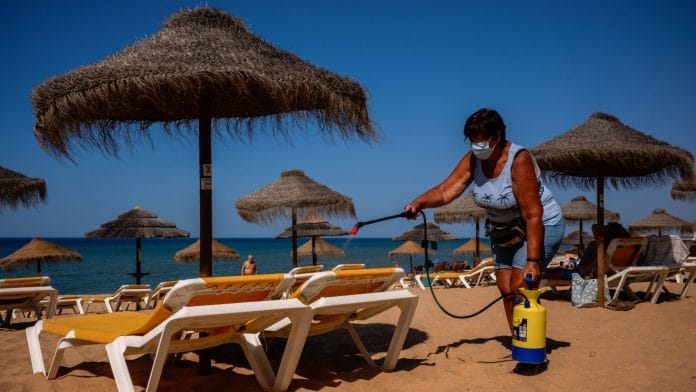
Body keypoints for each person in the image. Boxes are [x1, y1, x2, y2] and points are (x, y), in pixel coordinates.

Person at [404, 108, 565, 332]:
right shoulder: (474, 160)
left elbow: (533, 214)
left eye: (480, 142)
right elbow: (444, 191)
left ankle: (530, 349)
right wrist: (418, 202)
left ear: (497, 137)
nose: (475, 148)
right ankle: (518, 341)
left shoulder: (519, 161)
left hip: (539, 225)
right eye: (471, 142)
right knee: (504, 287)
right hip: (504, 230)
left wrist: (533, 261)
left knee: (519, 286)